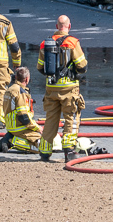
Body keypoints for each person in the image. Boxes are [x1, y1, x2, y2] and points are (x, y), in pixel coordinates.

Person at [33, 14, 88, 162]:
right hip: (69, 89)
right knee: (71, 119)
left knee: (51, 119)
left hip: (51, 88)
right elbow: (82, 66)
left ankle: (44, 152)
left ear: (56, 26)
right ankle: (69, 151)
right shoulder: (72, 42)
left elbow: (40, 67)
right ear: (69, 26)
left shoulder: (45, 43)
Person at [1, 65, 43, 154]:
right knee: (44, 144)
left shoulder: (10, 89)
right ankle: (12, 141)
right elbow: (23, 117)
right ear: (27, 79)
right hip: (19, 126)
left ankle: (9, 138)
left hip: (11, 126)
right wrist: (38, 128)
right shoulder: (20, 92)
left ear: (16, 77)